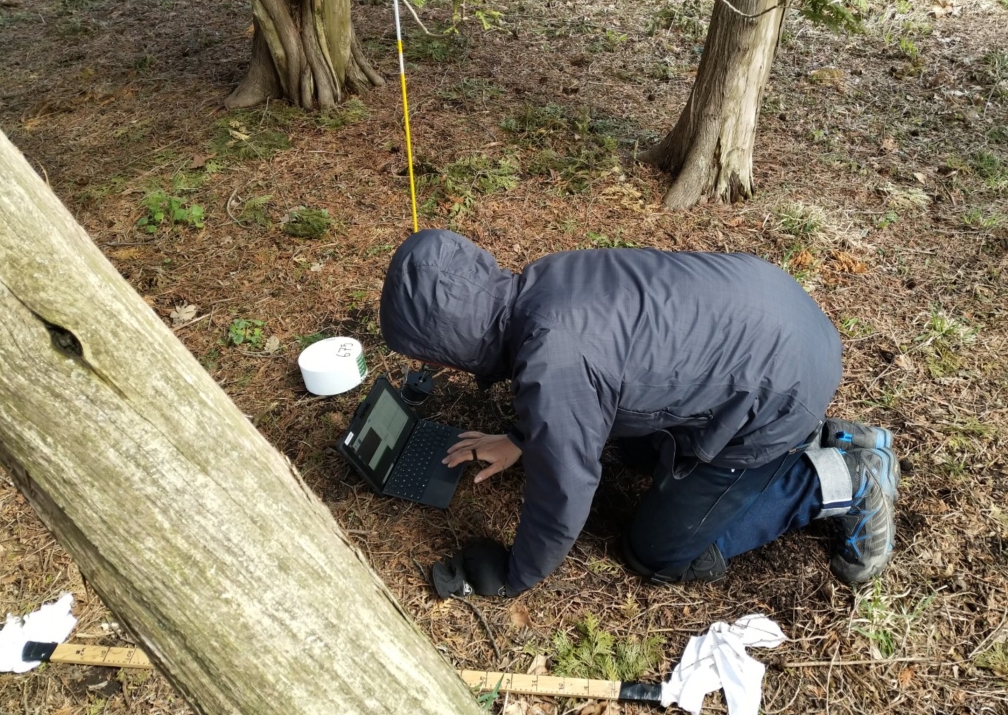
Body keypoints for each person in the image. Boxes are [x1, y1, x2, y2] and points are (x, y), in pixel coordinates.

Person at [379, 229, 901, 599]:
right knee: (631, 450)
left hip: (780, 389)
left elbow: (562, 493)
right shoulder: (543, 282)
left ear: (448, 339)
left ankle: (841, 479)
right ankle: (836, 437)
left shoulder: (553, 361)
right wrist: (522, 434)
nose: (427, 364)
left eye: (423, 352)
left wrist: (516, 573)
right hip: (775, 316)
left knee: (656, 553)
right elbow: (605, 364)